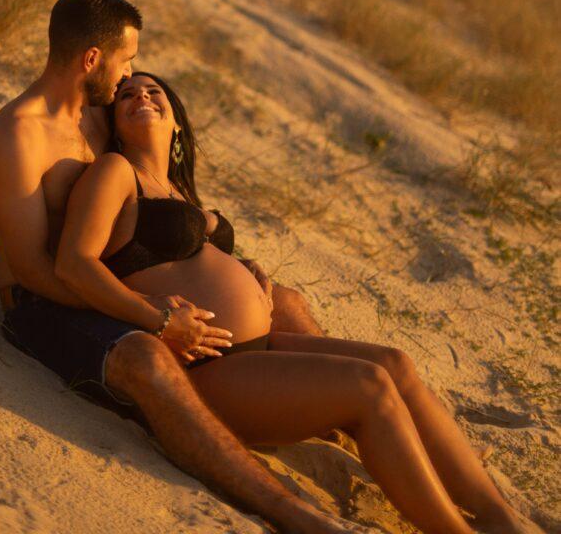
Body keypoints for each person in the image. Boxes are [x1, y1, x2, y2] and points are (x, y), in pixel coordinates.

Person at [55, 70, 538, 534]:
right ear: (114, 123)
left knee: (397, 364)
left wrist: (245, 270)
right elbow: (75, 264)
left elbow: (187, 257)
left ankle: (499, 516)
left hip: (257, 349)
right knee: (368, 387)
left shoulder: (178, 188)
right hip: (203, 366)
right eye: (127, 96)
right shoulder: (117, 173)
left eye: (153, 91)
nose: (141, 97)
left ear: (176, 120)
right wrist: (156, 315)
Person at [0, 0, 343, 534]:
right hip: (45, 302)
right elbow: (34, 271)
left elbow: (156, 197)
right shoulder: (16, 136)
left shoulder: (100, 116)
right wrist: (146, 311)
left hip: (108, 280)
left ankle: (342, 411)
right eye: (126, 59)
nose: (132, 74)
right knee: (147, 359)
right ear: (92, 59)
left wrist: (230, 260)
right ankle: (291, 512)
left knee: (284, 302)